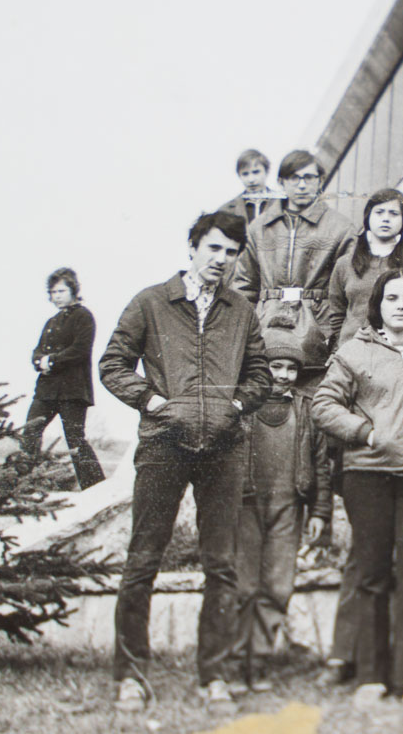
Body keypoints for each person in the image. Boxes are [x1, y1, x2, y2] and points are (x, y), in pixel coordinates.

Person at [99, 211, 272, 714]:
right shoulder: (151, 302)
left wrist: (234, 406)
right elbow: (112, 364)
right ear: (193, 247)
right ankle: (130, 677)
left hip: (223, 447)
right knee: (142, 561)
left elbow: (260, 374)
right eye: (213, 248)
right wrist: (153, 403)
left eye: (231, 253)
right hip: (163, 445)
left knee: (222, 565)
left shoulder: (240, 310)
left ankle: (214, 676)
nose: (222, 260)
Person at [312, 270, 403, 706]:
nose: (401, 306)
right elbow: (323, 404)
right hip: (368, 474)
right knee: (371, 574)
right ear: (378, 304)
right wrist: (365, 433)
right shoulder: (354, 351)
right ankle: (372, 676)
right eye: (392, 298)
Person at [229, 331, 332, 695]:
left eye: (291, 368)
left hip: (288, 507)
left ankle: (258, 660)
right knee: (243, 585)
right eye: (276, 366)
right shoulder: (243, 406)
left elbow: (321, 464)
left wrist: (320, 511)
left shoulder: (307, 408)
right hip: (246, 506)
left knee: (277, 585)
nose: (284, 375)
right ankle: (234, 662)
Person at [232, 150, 354, 384]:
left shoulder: (341, 228)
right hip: (266, 326)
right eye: (294, 178)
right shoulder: (259, 227)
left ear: (320, 181)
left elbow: (350, 292)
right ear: (281, 182)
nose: (301, 185)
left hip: (318, 330)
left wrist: (337, 341)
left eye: (309, 177)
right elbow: (243, 287)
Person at [21, 266, 105, 489]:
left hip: (72, 390)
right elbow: (37, 351)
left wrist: (51, 361)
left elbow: (80, 350)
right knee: (30, 431)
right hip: (46, 389)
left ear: (73, 290)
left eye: (61, 291)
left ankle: (95, 488)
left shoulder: (83, 316)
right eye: (52, 292)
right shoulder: (51, 322)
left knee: (75, 440)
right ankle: (24, 486)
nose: (56, 296)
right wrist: (39, 361)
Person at [325, 188, 403, 350]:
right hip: (352, 349)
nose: (385, 219)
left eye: (394, 214)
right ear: (368, 217)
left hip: (396, 349)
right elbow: (336, 312)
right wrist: (345, 345)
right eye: (379, 212)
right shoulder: (345, 264)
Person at [219, 149, 283, 225]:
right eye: (245, 174)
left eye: (256, 172)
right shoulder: (227, 210)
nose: (251, 180)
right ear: (239, 176)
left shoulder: (283, 203)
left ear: (267, 172)